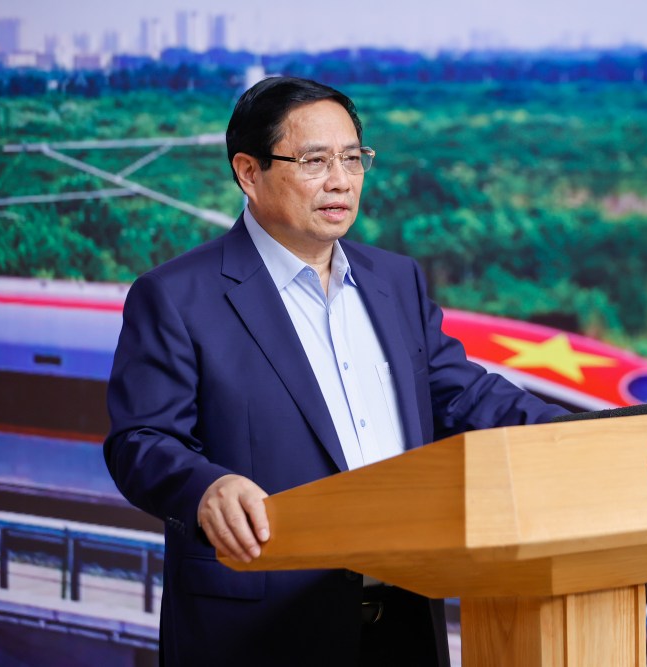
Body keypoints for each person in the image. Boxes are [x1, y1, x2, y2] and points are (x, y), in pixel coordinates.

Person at [104, 76, 567, 666]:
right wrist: (203, 488)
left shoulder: (395, 280)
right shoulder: (175, 296)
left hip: (403, 620)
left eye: (353, 159)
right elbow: (141, 440)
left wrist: (592, 433)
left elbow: (465, 397)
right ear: (248, 172)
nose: (341, 182)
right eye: (314, 160)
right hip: (261, 631)